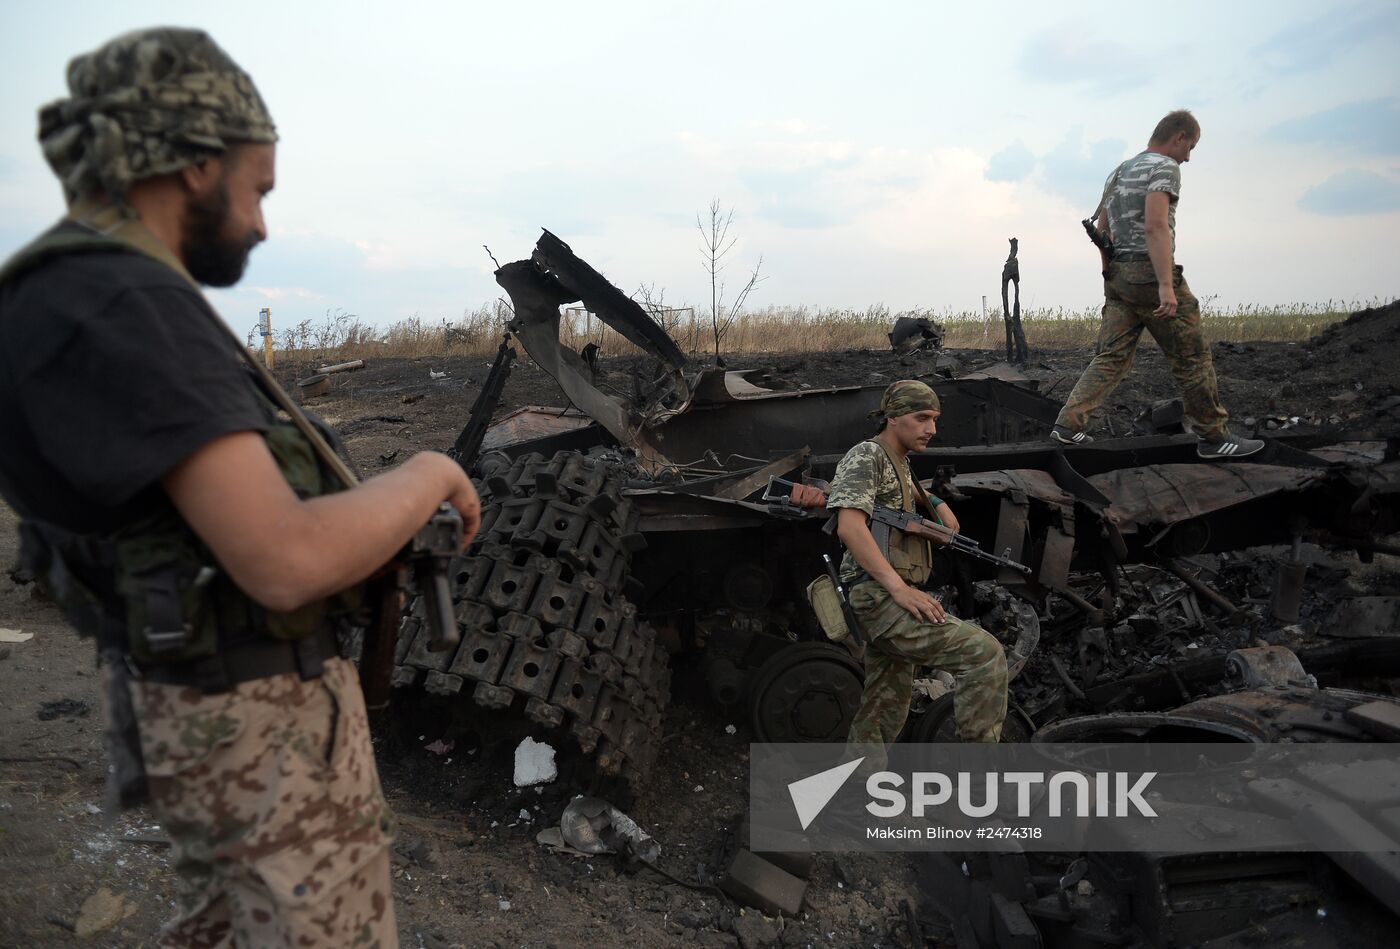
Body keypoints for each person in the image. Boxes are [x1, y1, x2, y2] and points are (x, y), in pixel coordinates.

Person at [0, 29, 481, 948]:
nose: (261, 223)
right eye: (258, 188)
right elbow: (282, 558)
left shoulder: (72, 290)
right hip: (256, 720)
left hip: (208, 704)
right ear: (192, 162)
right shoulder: (123, 300)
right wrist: (426, 472)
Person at [1050, 109, 1265, 460]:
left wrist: (1109, 276)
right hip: (1150, 273)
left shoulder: (1118, 172)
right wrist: (1165, 285)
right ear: (1178, 136)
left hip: (1118, 276)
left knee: (1111, 357)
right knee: (1192, 357)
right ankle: (1213, 437)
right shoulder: (1164, 168)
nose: (1189, 157)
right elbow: (1155, 226)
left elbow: (1102, 231)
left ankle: (1068, 425)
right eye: (1190, 146)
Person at [825, 380, 1007, 751]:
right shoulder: (867, 455)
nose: (932, 429)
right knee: (985, 655)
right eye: (921, 417)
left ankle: (853, 797)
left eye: (936, 419)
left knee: (884, 707)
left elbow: (940, 524)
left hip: (883, 597)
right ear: (892, 418)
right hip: (878, 596)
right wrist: (900, 589)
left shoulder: (900, 465)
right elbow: (849, 526)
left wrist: (931, 497)